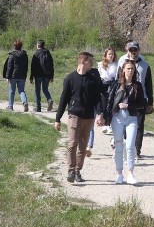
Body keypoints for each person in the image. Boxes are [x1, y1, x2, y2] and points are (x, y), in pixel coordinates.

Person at [54, 52, 106, 183]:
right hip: (74, 114)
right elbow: (63, 99)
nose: (92, 65)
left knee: (82, 146)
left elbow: (97, 98)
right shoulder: (70, 78)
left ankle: (78, 171)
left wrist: (100, 113)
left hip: (89, 116)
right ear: (83, 62)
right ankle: (70, 170)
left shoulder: (92, 79)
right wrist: (57, 118)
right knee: (72, 143)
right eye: (90, 62)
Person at [102, 59, 146, 185]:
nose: (130, 71)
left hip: (131, 117)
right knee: (119, 145)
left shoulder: (138, 86)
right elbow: (109, 100)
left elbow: (142, 104)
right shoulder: (116, 84)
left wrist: (128, 106)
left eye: (132, 69)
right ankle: (119, 174)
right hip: (117, 118)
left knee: (130, 145)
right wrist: (106, 117)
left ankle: (131, 173)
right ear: (123, 70)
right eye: (128, 68)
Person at [118, 41, 153, 159]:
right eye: (130, 50)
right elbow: (118, 81)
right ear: (127, 50)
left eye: (135, 50)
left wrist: (150, 102)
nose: (133, 52)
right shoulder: (122, 63)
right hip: (125, 99)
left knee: (138, 125)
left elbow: (149, 85)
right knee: (124, 124)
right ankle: (125, 148)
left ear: (138, 50)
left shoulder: (145, 65)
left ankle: (136, 151)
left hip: (140, 99)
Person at [96, 47, 119, 135]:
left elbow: (116, 76)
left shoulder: (116, 65)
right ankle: (104, 124)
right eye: (109, 54)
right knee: (103, 104)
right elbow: (99, 76)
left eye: (112, 54)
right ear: (105, 55)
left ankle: (109, 124)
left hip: (112, 85)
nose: (111, 56)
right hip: (103, 85)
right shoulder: (101, 64)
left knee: (111, 104)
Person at [2, 39, 29, 111]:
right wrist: (25, 75)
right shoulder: (25, 55)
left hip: (13, 76)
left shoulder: (12, 55)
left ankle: (10, 106)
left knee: (11, 91)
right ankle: (24, 102)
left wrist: (7, 77)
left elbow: (9, 66)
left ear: (14, 46)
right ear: (21, 46)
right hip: (22, 76)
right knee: (21, 90)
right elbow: (26, 66)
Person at [29, 39, 55, 112]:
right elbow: (51, 65)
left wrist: (31, 77)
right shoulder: (48, 53)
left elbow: (32, 66)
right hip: (46, 75)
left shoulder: (36, 54)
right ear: (43, 45)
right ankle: (49, 99)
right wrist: (51, 76)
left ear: (38, 45)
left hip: (38, 75)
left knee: (37, 90)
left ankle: (38, 107)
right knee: (45, 89)